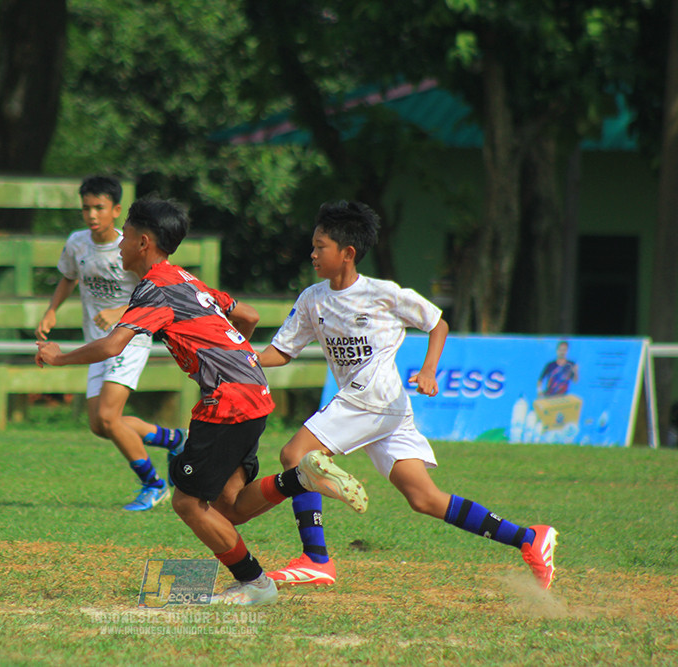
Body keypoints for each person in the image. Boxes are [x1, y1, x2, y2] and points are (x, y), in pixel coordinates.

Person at [36, 197, 370, 606]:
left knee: (188, 502)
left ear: (143, 242)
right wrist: (235, 356)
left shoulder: (154, 289)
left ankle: (256, 583)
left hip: (230, 400)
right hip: (254, 393)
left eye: (125, 234)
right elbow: (245, 314)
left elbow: (112, 345)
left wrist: (58, 357)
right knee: (229, 507)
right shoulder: (184, 279)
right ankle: (297, 481)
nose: (119, 242)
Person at [256, 200, 559, 591]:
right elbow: (279, 352)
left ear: (347, 254)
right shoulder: (313, 299)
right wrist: (237, 356)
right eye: (313, 246)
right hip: (387, 410)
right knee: (424, 498)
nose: (312, 254)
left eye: (320, 247)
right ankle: (529, 538)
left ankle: (316, 559)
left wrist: (429, 369)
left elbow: (437, 323)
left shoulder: (383, 293)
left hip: (374, 398)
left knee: (295, 456)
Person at [35, 176, 185, 512]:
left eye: (99, 207)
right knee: (101, 425)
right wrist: (50, 311)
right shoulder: (77, 243)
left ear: (116, 210)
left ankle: (153, 484)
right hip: (97, 343)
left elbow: (154, 287)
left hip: (129, 339)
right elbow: (69, 277)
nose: (91, 214)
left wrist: (120, 310)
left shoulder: (130, 246)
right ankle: (174, 440)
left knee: (109, 415)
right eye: (86, 207)